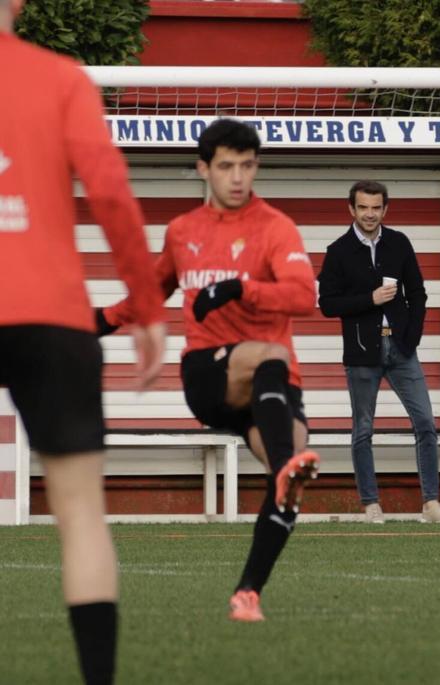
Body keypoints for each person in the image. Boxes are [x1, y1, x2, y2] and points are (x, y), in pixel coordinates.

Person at [0, 1, 167, 682]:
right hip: (53, 315)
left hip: (50, 312)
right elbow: (111, 194)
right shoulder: (62, 78)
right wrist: (147, 308)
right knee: (79, 513)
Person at [98, 119, 319, 623]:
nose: (237, 177)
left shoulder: (276, 227)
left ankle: (248, 594)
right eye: (226, 166)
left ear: (256, 167)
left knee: (291, 477)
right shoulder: (184, 231)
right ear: (204, 169)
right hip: (209, 375)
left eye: (247, 166)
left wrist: (241, 287)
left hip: (270, 386)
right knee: (273, 362)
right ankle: (284, 465)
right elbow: (151, 291)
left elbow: (304, 295)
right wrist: (102, 321)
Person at [317, 180, 440, 524]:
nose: (370, 214)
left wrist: (411, 338)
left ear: (385, 209)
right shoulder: (338, 251)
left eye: (376, 207)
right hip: (361, 352)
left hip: (401, 349)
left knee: (425, 422)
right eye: (363, 207)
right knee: (363, 430)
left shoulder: (399, 242)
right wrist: (370, 299)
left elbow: (418, 294)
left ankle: (431, 504)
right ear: (351, 209)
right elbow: (328, 304)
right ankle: (371, 505)